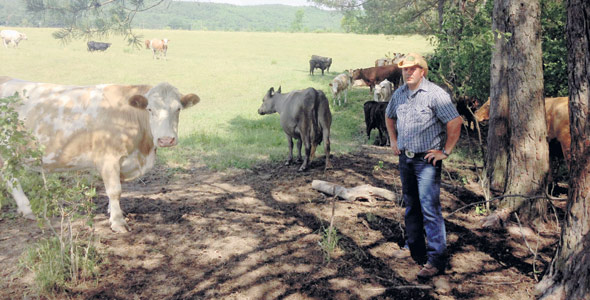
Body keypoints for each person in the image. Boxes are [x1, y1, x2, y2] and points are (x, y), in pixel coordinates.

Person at [385, 53, 462, 279]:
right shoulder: (399, 94)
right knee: (410, 205)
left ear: (422, 71)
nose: (408, 73)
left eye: (413, 69)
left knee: (429, 208)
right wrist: (393, 140)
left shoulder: (435, 94)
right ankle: (413, 246)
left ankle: (436, 258)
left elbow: (455, 122)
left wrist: (445, 152)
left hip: (426, 161)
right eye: (404, 69)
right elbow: (389, 116)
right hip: (405, 159)